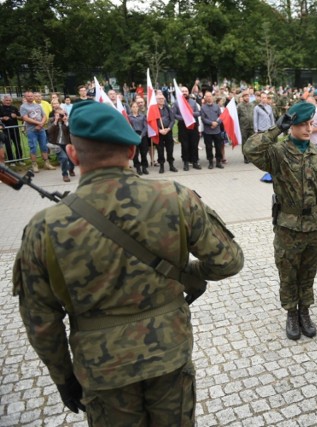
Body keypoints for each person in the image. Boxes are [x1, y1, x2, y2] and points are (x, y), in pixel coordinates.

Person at [13, 99, 244, 425]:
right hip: (168, 353)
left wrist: (64, 378)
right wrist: (189, 273)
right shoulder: (176, 198)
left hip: (103, 370)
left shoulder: (43, 228)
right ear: (133, 152)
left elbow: (41, 322)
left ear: (74, 154)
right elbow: (229, 261)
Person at [243, 102, 317, 341]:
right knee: (288, 272)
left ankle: (305, 312)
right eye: (302, 124)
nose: (307, 128)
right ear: (291, 126)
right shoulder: (277, 154)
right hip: (287, 225)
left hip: (314, 224)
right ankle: (291, 313)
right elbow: (250, 150)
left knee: (308, 272)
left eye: (310, 123)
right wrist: (276, 129)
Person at [19, 91, 56, 173]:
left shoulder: (38, 106)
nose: (30, 97)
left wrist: (41, 124)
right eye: (28, 96)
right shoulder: (23, 107)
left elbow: (44, 116)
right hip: (31, 130)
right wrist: (38, 123)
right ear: (25, 97)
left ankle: (47, 163)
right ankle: (34, 164)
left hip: (41, 129)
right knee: (33, 147)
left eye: (31, 96)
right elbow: (25, 118)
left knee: (44, 146)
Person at [173, 86, 202, 171]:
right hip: (183, 126)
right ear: (180, 93)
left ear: (188, 92)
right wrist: (184, 117)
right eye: (183, 91)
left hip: (193, 125)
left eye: (186, 91)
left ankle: (195, 162)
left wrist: (191, 114)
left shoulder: (193, 102)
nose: (184, 92)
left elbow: (198, 113)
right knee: (184, 145)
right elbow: (174, 115)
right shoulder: (176, 103)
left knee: (194, 144)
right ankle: (186, 162)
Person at [46, 106, 74, 182]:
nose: (61, 116)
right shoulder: (51, 120)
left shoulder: (67, 120)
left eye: (62, 114)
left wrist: (66, 123)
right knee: (64, 158)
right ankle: (65, 175)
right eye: (59, 115)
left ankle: (71, 169)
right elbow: (49, 131)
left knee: (71, 159)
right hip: (56, 144)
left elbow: (72, 131)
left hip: (66, 143)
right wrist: (55, 121)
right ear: (55, 115)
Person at [200, 90, 225, 169]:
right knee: (208, 147)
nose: (209, 98)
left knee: (218, 146)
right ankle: (210, 162)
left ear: (212, 97)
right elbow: (203, 119)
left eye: (210, 96)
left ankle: (218, 162)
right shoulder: (203, 108)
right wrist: (211, 123)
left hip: (217, 130)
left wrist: (216, 123)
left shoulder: (217, 106)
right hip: (208, 131)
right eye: (207, 96)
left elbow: (221, 117)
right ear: (205, 98)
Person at [155, 91, 178, 174]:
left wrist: (168, 128)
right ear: (156, 100)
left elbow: (172, 120)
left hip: (168, 131)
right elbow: (152, 122)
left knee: (170, 149)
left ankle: (171, 165)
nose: (161, 100)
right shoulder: (154, 109)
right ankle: (161, 166)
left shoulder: (168, 108)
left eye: (162, 98)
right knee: (160, 149)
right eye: (159, 99)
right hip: (159, 132)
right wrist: (159, 130)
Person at [0, 95, 23, 163]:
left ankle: (20, 159)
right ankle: (11, 161)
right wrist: (2, 118)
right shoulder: (0, 108)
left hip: (15, 129)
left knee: (18, 144)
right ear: (3, 101)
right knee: (8, 145)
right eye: (6, 100)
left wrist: (16, 116)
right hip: (6, 130)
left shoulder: (14, 108)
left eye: (9, 100)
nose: (8, 102)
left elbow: (21, 117)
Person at [128, 101, 149, 175]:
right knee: (135, 153)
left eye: (136, 107)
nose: (135, 108)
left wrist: (141, 135)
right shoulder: (129, 117)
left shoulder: (142, 116)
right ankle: (138, 167)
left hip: (142, 135)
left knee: (144, 152)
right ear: (131, 108)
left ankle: (144, 167)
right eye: (133, 107)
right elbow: (129, 127)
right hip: (134, 135)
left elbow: (145, 126)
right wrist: (135, 135)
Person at [237, 91, 254, 163]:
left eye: (248, 96)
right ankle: (245, 157)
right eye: (245, 96)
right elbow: (237, 116)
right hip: (244, 127)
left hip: (252, 126)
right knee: (245, 142)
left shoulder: (252, 105)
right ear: (243, 97)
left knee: (251, 142)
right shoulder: (240, 106)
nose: (247, 97)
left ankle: (251, 156)